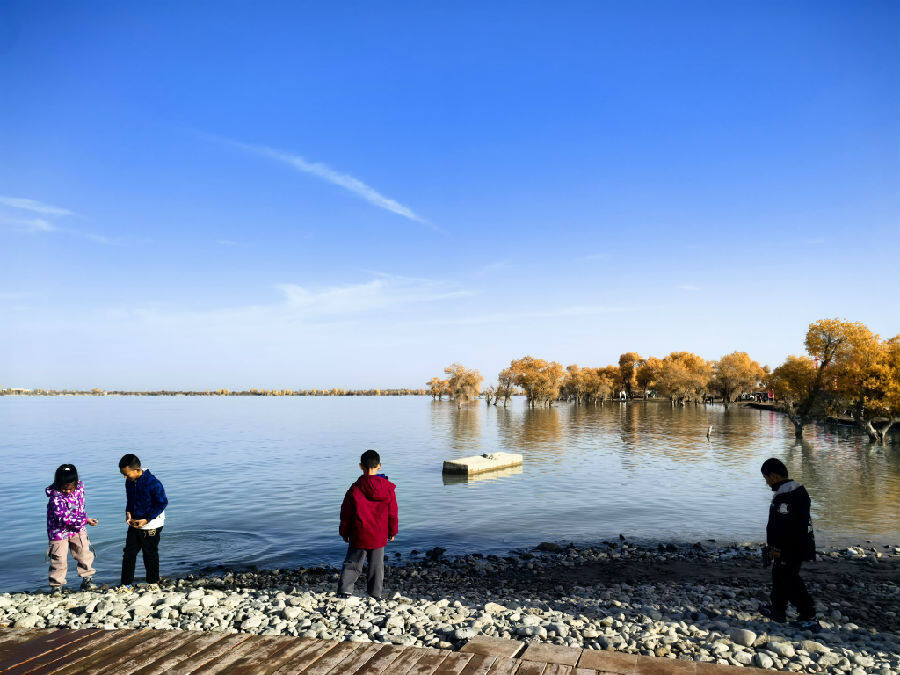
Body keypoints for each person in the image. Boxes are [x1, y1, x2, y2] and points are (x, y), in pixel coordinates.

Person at [760, 457, 817, 626]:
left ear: (773, 477)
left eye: (766, 479)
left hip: (792, 546)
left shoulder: (786, 495)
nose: (767, 484)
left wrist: (779, 550)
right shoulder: (795, 490)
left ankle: (808, 615)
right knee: (779, 576)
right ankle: (778, 610)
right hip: (797, 544)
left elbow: (786, 527)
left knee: (789, 579)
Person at [337, 449, 398, 598]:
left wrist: (344, 532)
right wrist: (392, 532)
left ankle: (345, 591)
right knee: (377, 566)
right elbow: (392, 513)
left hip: (359, 533)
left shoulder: (355, 489)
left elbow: (346, 514)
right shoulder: (388, 489)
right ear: (379, 466)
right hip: (379, 534)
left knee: (352, 563)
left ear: (360, 466)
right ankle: (375, 593)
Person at [46, 464, 99, 592]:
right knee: (59, 559)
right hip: (58, 532)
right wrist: (85, 521)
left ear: (76, 482)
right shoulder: (55, 499)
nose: (68, 491)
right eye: (64, 488)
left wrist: (85, 520)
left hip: (78, 529)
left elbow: (80, 508)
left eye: (71, 488)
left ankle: (87, 579)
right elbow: (63, 518)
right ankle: (57, 586)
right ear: (57, 484)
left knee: (84, 553)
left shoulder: (79, 489)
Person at [119, 453, 168, 587]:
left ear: (137, 469)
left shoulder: (153, 483)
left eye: (126, 474)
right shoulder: (129, 482)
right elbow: (130, 500)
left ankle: (153, 582)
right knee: (129, 553)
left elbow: (162, 503)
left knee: (149, 554)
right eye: (122, 474)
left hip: (152, 523)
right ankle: (126, 584)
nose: (124, 477)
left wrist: (146, 519)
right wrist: (128, 513)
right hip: (135, 522)